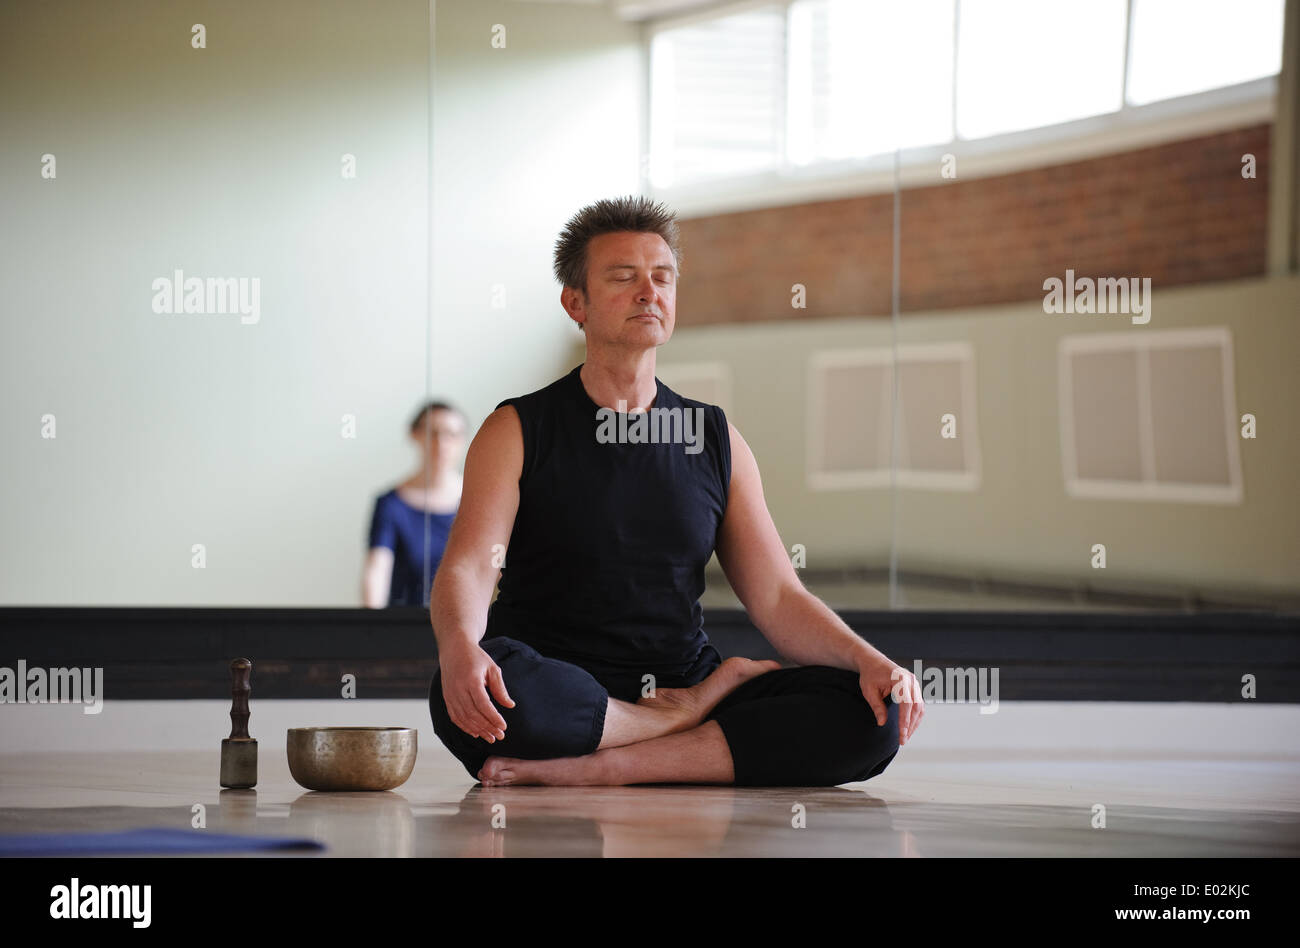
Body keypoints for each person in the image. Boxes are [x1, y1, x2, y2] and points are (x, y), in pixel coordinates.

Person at [427, 195, 924, 786]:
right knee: (476, 696)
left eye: (662, 278)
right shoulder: (516, 429)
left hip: (682, 675)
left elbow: (777, 598)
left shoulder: (717, 439)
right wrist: (460, 646)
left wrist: (871, 660)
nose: (648, 292)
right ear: (575, 303)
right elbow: (468, 567)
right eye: (623, 277)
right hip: (555, 681)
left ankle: (611, 767)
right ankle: (674, 726)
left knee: (872, 714)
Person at [363, 402, 467, 608]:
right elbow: (377, 570)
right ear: (415, 435)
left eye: (451, 434)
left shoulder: (479, 499)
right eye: (432, 433)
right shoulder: (390, 504)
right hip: (404, 627)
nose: (441, 443)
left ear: (463, 440)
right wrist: (371, 627)